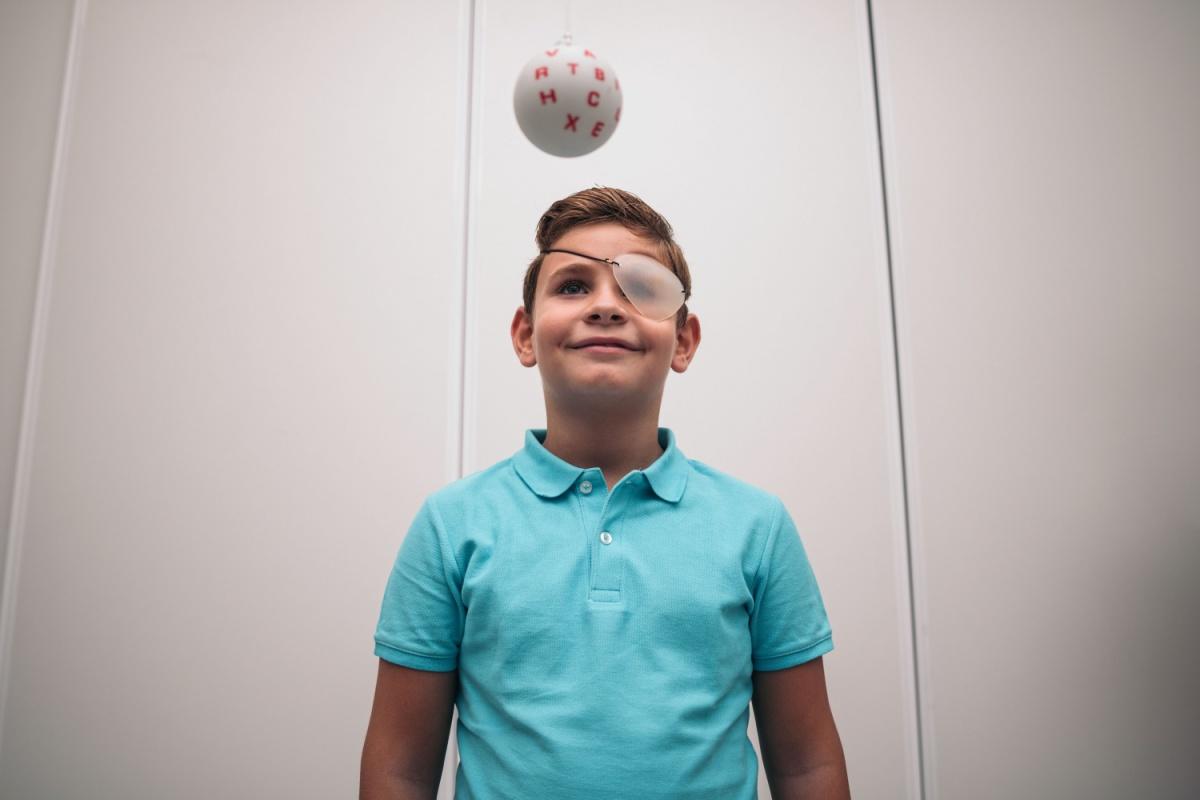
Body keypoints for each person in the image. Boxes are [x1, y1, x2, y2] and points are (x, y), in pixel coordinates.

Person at [360, 187, 849, 799]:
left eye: (642, 288)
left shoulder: (758, 526)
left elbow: (807, 765)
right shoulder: (451, 525)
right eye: (572, 286)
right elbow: (400, 768)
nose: (605, 307)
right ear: (524, 335)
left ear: (685, 340)